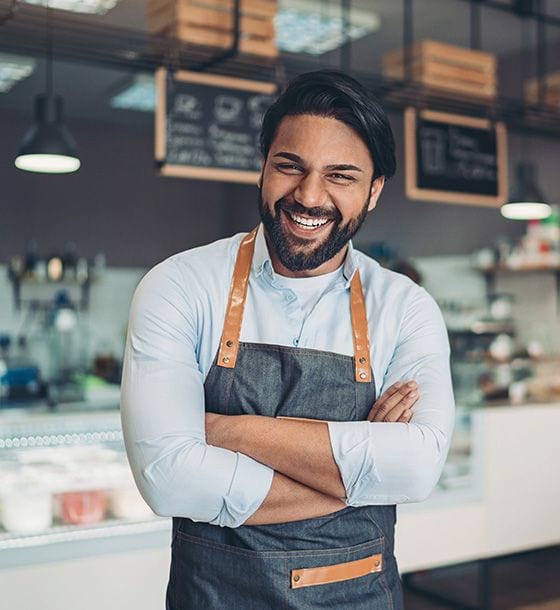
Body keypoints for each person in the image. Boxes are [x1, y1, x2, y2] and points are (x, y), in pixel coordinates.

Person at [120, 70, 455, 609]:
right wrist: (358, 474)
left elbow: (415, 469)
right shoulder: (180, 286)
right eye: (289, 166)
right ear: (263, 169)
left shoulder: (406, 308)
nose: (309, 195)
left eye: (341, 176)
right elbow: (169, 480)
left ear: (373, 193)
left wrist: (228, 431)